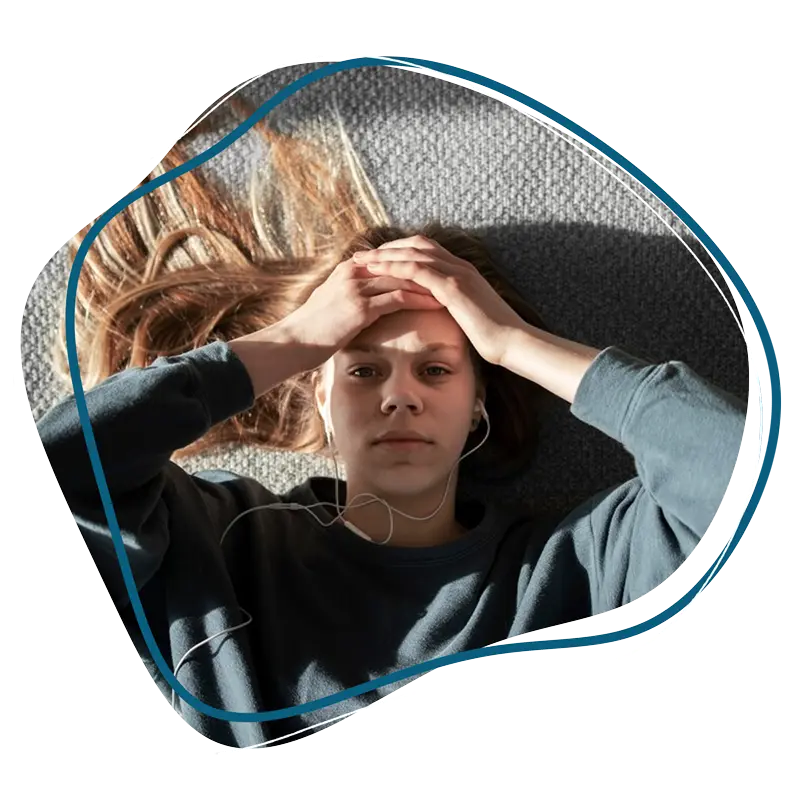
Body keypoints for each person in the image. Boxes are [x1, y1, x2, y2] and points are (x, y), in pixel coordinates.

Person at [34, 102, 747, 749]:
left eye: (436, 371)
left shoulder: (574, 565)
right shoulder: (216, 537)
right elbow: (56, 477)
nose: (399, 397)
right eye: (364, 370)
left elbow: (753, 485)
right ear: (319, 399)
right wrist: (296, 339)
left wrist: (511, 342)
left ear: (479, 403)